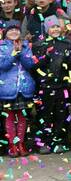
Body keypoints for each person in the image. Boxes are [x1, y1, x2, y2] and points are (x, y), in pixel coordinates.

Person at [33, 15, 71, 151]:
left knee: (62, 114)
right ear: (47, 29)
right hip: (45, 86)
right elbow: (36, 66)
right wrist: (45, 57)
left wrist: (68, 59)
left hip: (62, 85)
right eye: (52, 27)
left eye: (57, 26)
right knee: (45, 114)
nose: (55, 29)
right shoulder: (40, 45)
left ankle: (59, 141)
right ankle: (44, 143)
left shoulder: (67, 43)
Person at [0, 25, 35, 157]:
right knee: (9, 116)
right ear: (5, 33)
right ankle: (12, 145)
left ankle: (20, 143)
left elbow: (31, 64)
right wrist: (14, 54)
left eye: (16, 30)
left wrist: (21, 53)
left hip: (24, 86)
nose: (14, 32)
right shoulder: (2, 47)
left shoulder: (26, 46)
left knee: (22, 116)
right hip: (7, 87)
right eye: (11, 30)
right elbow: (2, 65)